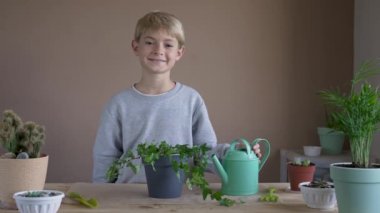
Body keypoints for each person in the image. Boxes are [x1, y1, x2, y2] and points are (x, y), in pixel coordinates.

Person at [92, 11, 260, 183]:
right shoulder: (119, 104)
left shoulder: (191, 100)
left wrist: (233, 152)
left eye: (168, 45)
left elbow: (205, 153)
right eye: (149, 42)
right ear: (136, 47)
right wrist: (101, 195)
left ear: (179, 53)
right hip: (128, 198)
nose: (158, 50)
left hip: (179, 197)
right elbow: (105, 159)